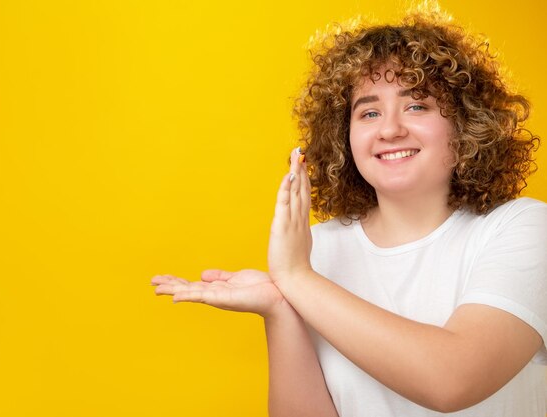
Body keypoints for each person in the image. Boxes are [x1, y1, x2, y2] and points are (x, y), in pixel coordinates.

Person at [151, 4, 547, 416]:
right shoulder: (315, 251)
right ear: (345, 137)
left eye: (417, 106)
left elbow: (453, 379)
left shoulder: (524, 228)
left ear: (466, 124)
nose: (390, 129)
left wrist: (295, 278)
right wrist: (279, 307)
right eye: (369, 112)